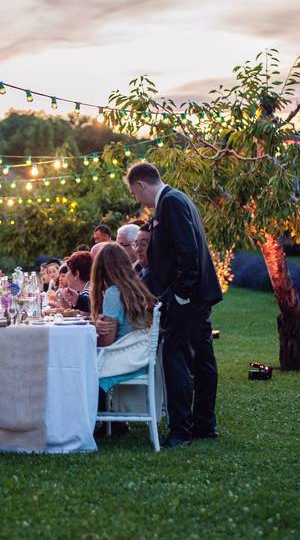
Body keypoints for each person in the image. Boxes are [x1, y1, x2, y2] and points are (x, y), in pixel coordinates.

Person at [125, 162, 223, 448]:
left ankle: (181, 431)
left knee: (176, 358)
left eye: (134, 192)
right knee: (203, 359)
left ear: (141, 185)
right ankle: (204, 424)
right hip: (198, 296)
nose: (136, 198)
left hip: (188, 298)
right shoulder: (177, 199)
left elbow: (188, 249)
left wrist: (181, 292)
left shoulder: (169, 203)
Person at [90, 243, 158, 393]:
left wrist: (94, 329)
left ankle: (91, 415)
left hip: (121, 362)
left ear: (101, 270)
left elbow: (106, 342)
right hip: (140, 359)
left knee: (80, 369)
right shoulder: (139, 289)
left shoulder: (113, 294)